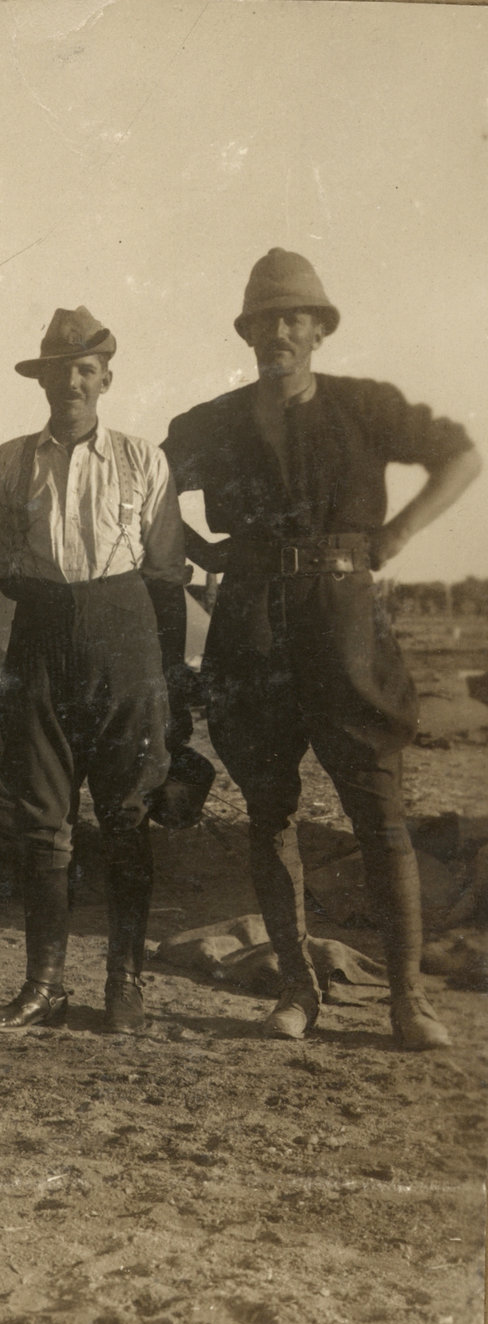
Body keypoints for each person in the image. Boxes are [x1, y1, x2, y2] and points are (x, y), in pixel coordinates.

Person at [161, 248, 481, 1049]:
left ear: (318, 330)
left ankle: (407, 999)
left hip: (344, 622)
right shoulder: (213, 423)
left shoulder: (364, 406)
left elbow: (461, 454)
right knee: (269, 810)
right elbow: (147, 486)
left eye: (293, 318)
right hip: (252, 625)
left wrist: (396, 534)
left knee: (378, 809)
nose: (278, 331)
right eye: (264, 319)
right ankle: (297, 989)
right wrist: (200, 549)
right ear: (247, 333)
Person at [0, 306, 188, 1034]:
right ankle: (44, 985)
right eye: (57, 371)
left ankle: (124, 984)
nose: (70, 382)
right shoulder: (8, 462)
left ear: (105, 379)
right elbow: (4, 565)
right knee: (43, 816)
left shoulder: (142, 459)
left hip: (125, 639)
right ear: (40, 381)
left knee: (127, 811)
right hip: (39, 639)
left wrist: (166, 679)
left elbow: (166, 571)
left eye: (84, 370)